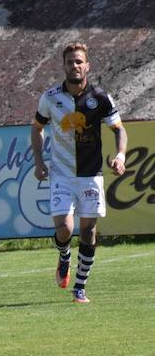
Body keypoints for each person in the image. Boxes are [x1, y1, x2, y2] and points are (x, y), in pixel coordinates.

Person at [30, 41, 127, 304]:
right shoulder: (50, 97)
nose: (74, 66)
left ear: (87, 66)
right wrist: (39, 162)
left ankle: (80, 287)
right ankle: (64, 256)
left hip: (91, 174)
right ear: (63, 66)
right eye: (70, 61)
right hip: (61, 174)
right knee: (63, 228)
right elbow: (37, 128)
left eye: (78, 61)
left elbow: (119, 129)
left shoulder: (101, 98)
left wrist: (120, 155)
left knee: (88, 232)